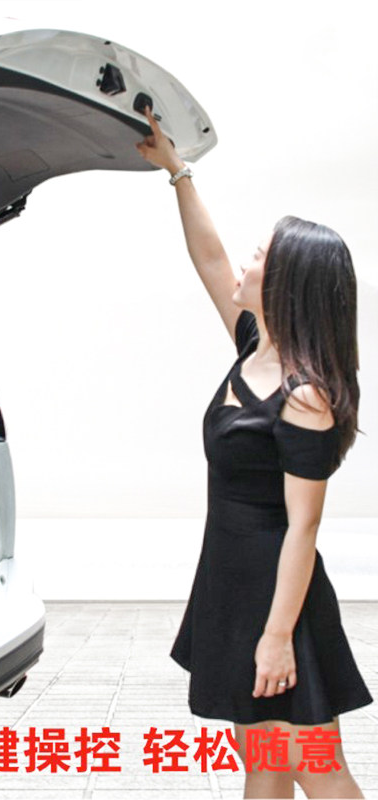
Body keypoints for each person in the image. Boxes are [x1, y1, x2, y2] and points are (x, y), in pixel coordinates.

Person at [135, 106, 372, 799]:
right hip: (233, 583)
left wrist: (277, 636)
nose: (244, 261)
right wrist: (177, 172)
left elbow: (303, 526)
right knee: (265, 762)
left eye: (261, 255)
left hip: (279, 602)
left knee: (317, 768)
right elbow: (209, 258)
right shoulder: (252, 349)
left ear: (287, 285)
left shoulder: (305, 395)